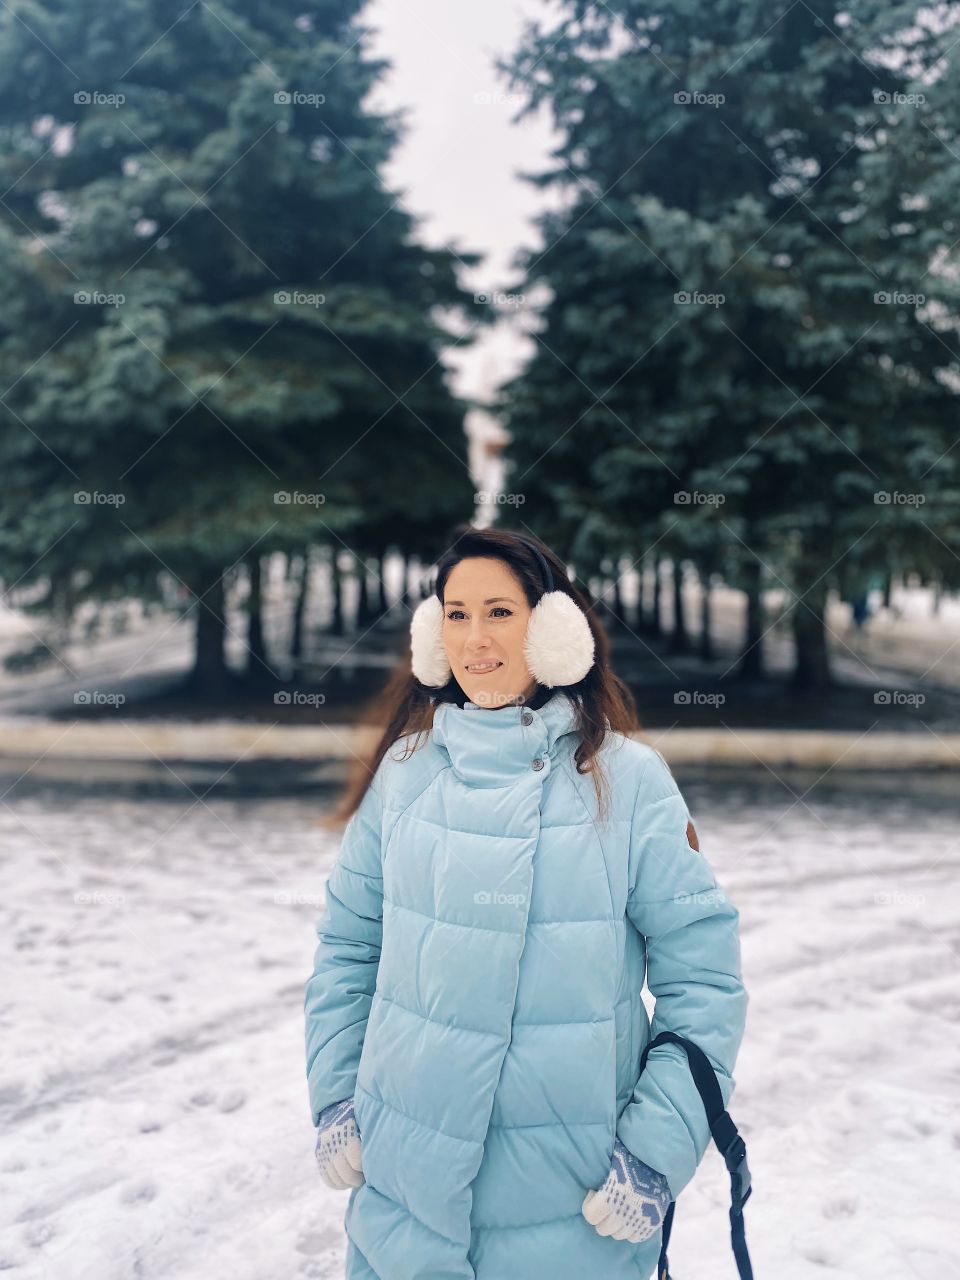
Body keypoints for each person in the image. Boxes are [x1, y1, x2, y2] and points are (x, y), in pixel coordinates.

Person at [304, 525, 749, 1280]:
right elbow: (349, 948)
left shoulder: (629, 781)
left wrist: (653, 1154)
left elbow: (702, 984)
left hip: (572, 1214)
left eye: (500, 613)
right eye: (455, 613)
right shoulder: (405, 775)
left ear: (554, 630)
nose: (475, 638)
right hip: (403, 1204)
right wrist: (337, 1097)